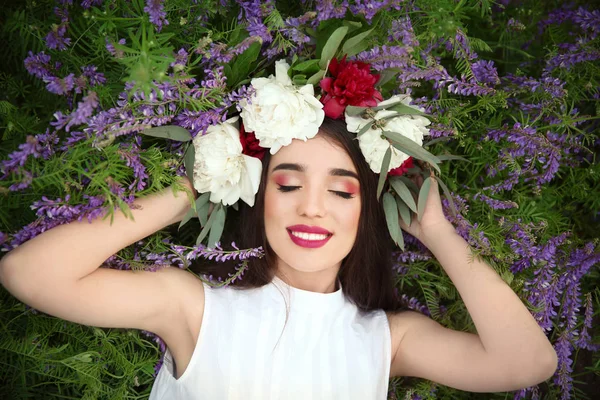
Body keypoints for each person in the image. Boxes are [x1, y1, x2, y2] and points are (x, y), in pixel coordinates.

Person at [0, 117, 558, 399]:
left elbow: (527, 364)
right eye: (287, 185)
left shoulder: (389, 339)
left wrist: (436, 230)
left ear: (368, 213)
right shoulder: (193, 309)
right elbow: (29, 273)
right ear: (256, 198)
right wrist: (190, 188)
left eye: (342, 192)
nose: (312, 209)